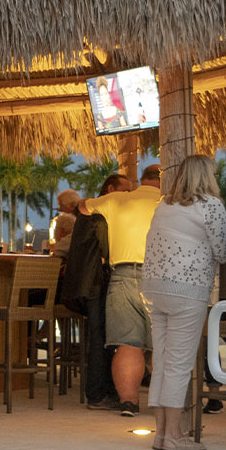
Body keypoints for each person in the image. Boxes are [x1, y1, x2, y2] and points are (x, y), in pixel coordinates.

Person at [140, 155, 226, 450]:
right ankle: (175, 436)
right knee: (179, 364)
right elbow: (223, 251)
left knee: (162, 360)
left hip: (155, 287)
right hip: (188, 290)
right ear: (207, 176)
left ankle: (161, 433)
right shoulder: (211, 206)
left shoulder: (163, 205)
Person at [84, 164, 163, 417]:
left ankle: (128, 402)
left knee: (127, 344)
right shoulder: (169, 202)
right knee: (164, 345)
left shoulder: (117, 199)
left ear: (141, 180)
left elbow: (83, 206)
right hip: (162, 277)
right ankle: (165, 404)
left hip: (123, 274)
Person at [59, 177, 117, 410]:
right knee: (101, 336)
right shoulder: (99, 215)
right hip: (95, 284)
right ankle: (98, 393)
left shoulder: (89, 212)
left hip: (84, 286)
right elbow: (106, 249)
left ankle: (102, 392)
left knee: (100, 335)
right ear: (112, 190)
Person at [50, 189, 82, 257]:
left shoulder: (66, 219)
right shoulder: (83, 220)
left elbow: (59, 249)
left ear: (72, 205)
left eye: (62, 206)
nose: (59, 209)